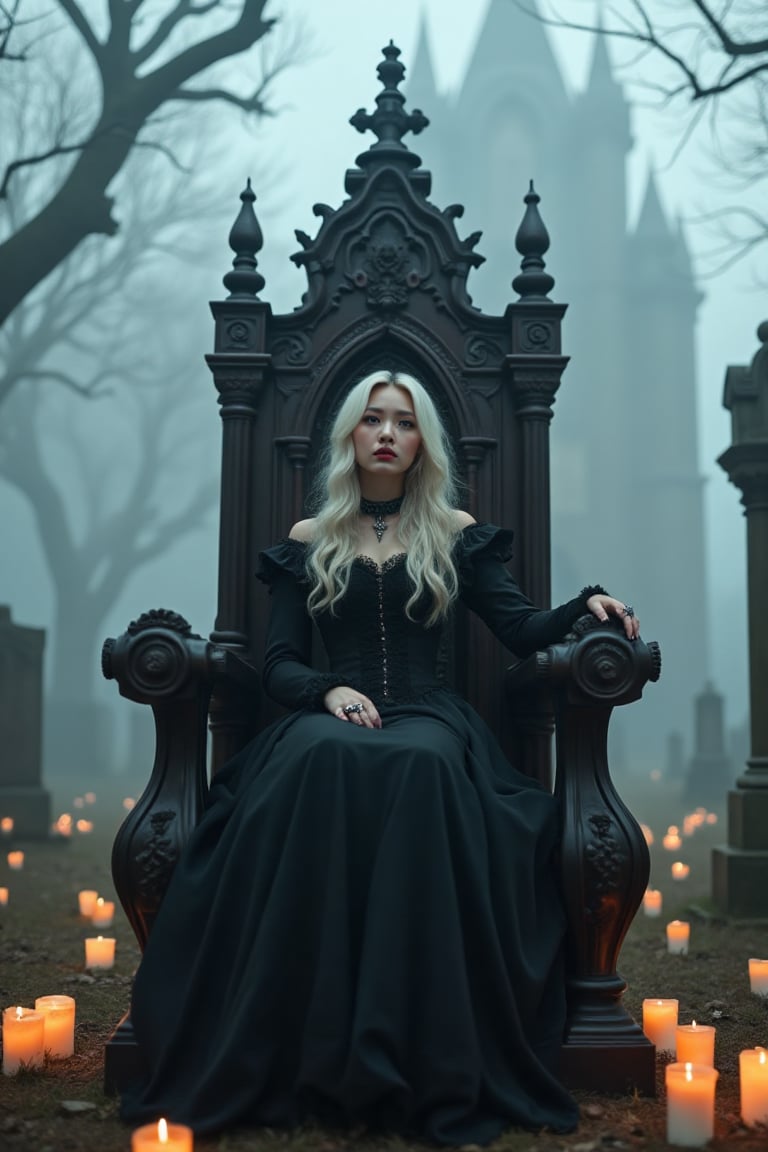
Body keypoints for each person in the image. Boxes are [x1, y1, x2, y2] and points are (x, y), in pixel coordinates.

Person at [120, 369, 640, 1146]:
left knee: (421, 764)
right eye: (372, 420)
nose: (388, 433)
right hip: (332, 712)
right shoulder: (311, 542)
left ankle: (410, 1036)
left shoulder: (455, 531)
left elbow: (524, 629)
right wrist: (328, 692)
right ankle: (308, 1034)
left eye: (403, 421)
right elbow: (281, 662)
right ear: (351, 438)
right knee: (320, 759)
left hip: (429, 718)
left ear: (422, 439)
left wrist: (587, 606)